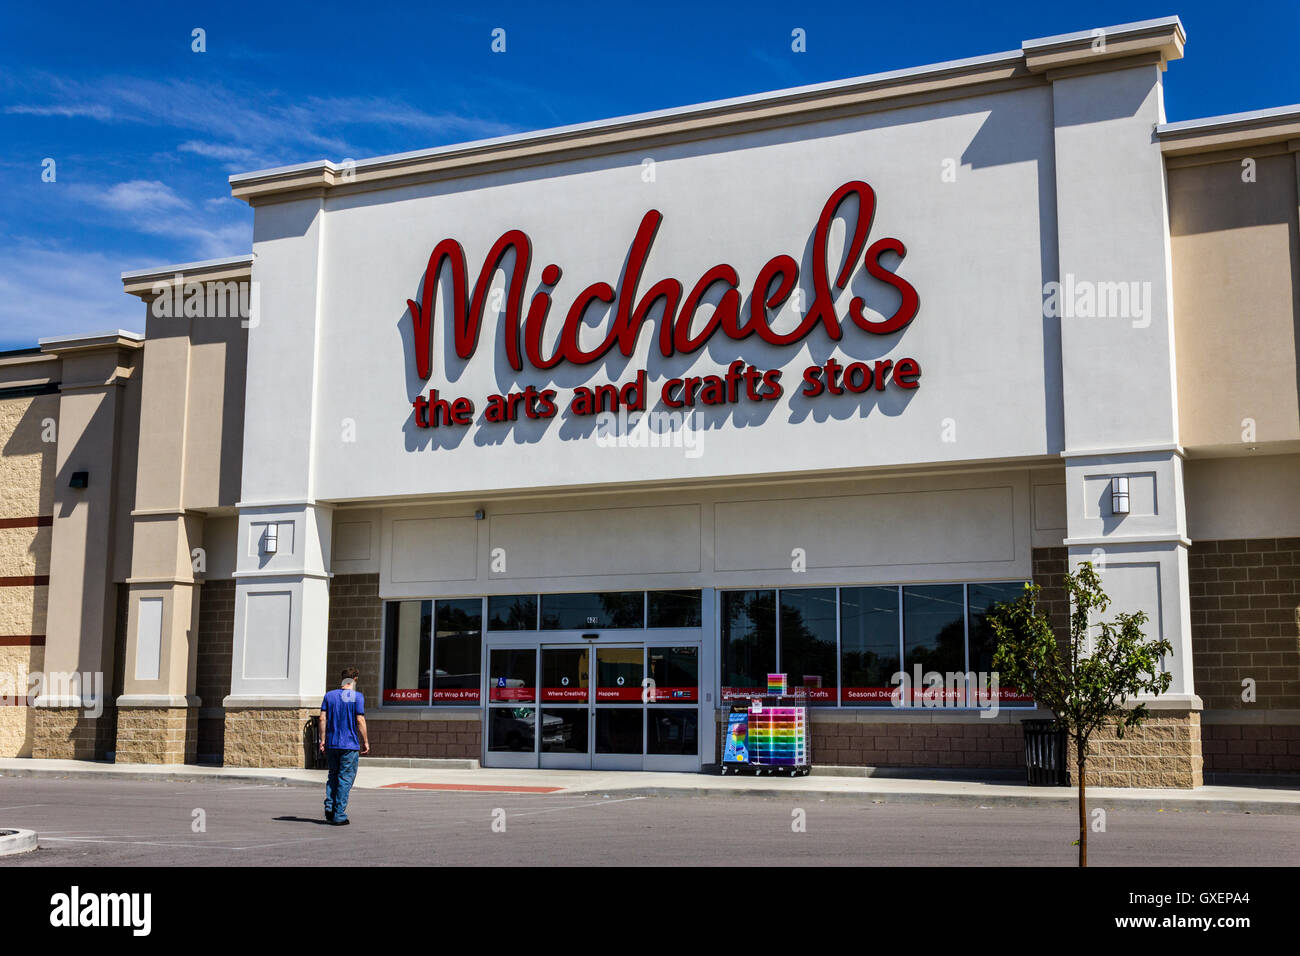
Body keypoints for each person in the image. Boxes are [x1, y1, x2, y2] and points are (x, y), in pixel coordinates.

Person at [319, 666, 370, 825]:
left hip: (332, 744)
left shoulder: (329, 696)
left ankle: (330, 806)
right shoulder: (357, 697)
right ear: (354, 680)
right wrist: (366, 741)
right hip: (349, 745)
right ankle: (339, 814)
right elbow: (360, 720)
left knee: (333, 776)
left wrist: (322, 740)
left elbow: (322, 719)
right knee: (345, 778)